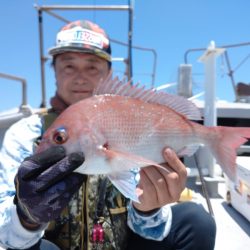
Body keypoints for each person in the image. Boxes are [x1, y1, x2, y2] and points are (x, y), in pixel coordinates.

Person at [0, 20, 216, 250]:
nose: (80, 77)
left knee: (196, 220)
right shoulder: (25, 134)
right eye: (69, 66)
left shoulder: (124, 118)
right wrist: (27, 217)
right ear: (55, 71)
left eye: (92, 66)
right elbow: (6, 235)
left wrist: (149, 208)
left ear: (109, 72)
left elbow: (151, 229)